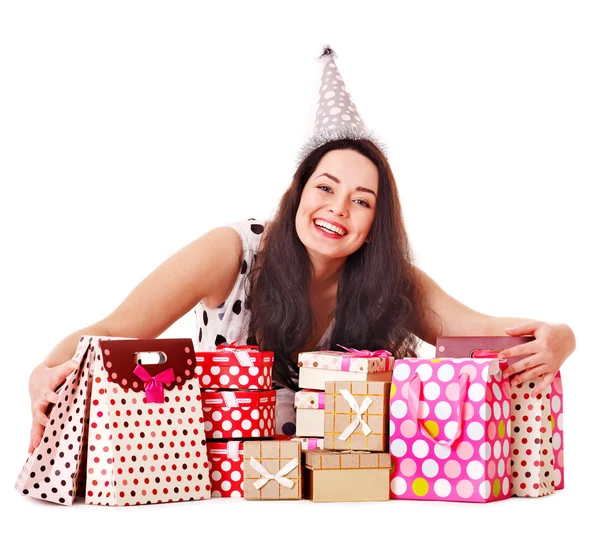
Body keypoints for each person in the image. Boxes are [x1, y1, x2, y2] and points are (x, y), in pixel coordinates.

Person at [26, 47, 576, 453]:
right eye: (326, 187)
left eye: (362, 201)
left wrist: (563, 338)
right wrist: (43, 370)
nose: (338, 209)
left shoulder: (393, 280)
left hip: (352, 494)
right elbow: (122, 326)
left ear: (375, 224)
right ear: (298, 192)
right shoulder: (232, 251)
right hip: (230, 492)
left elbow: (480, 329)